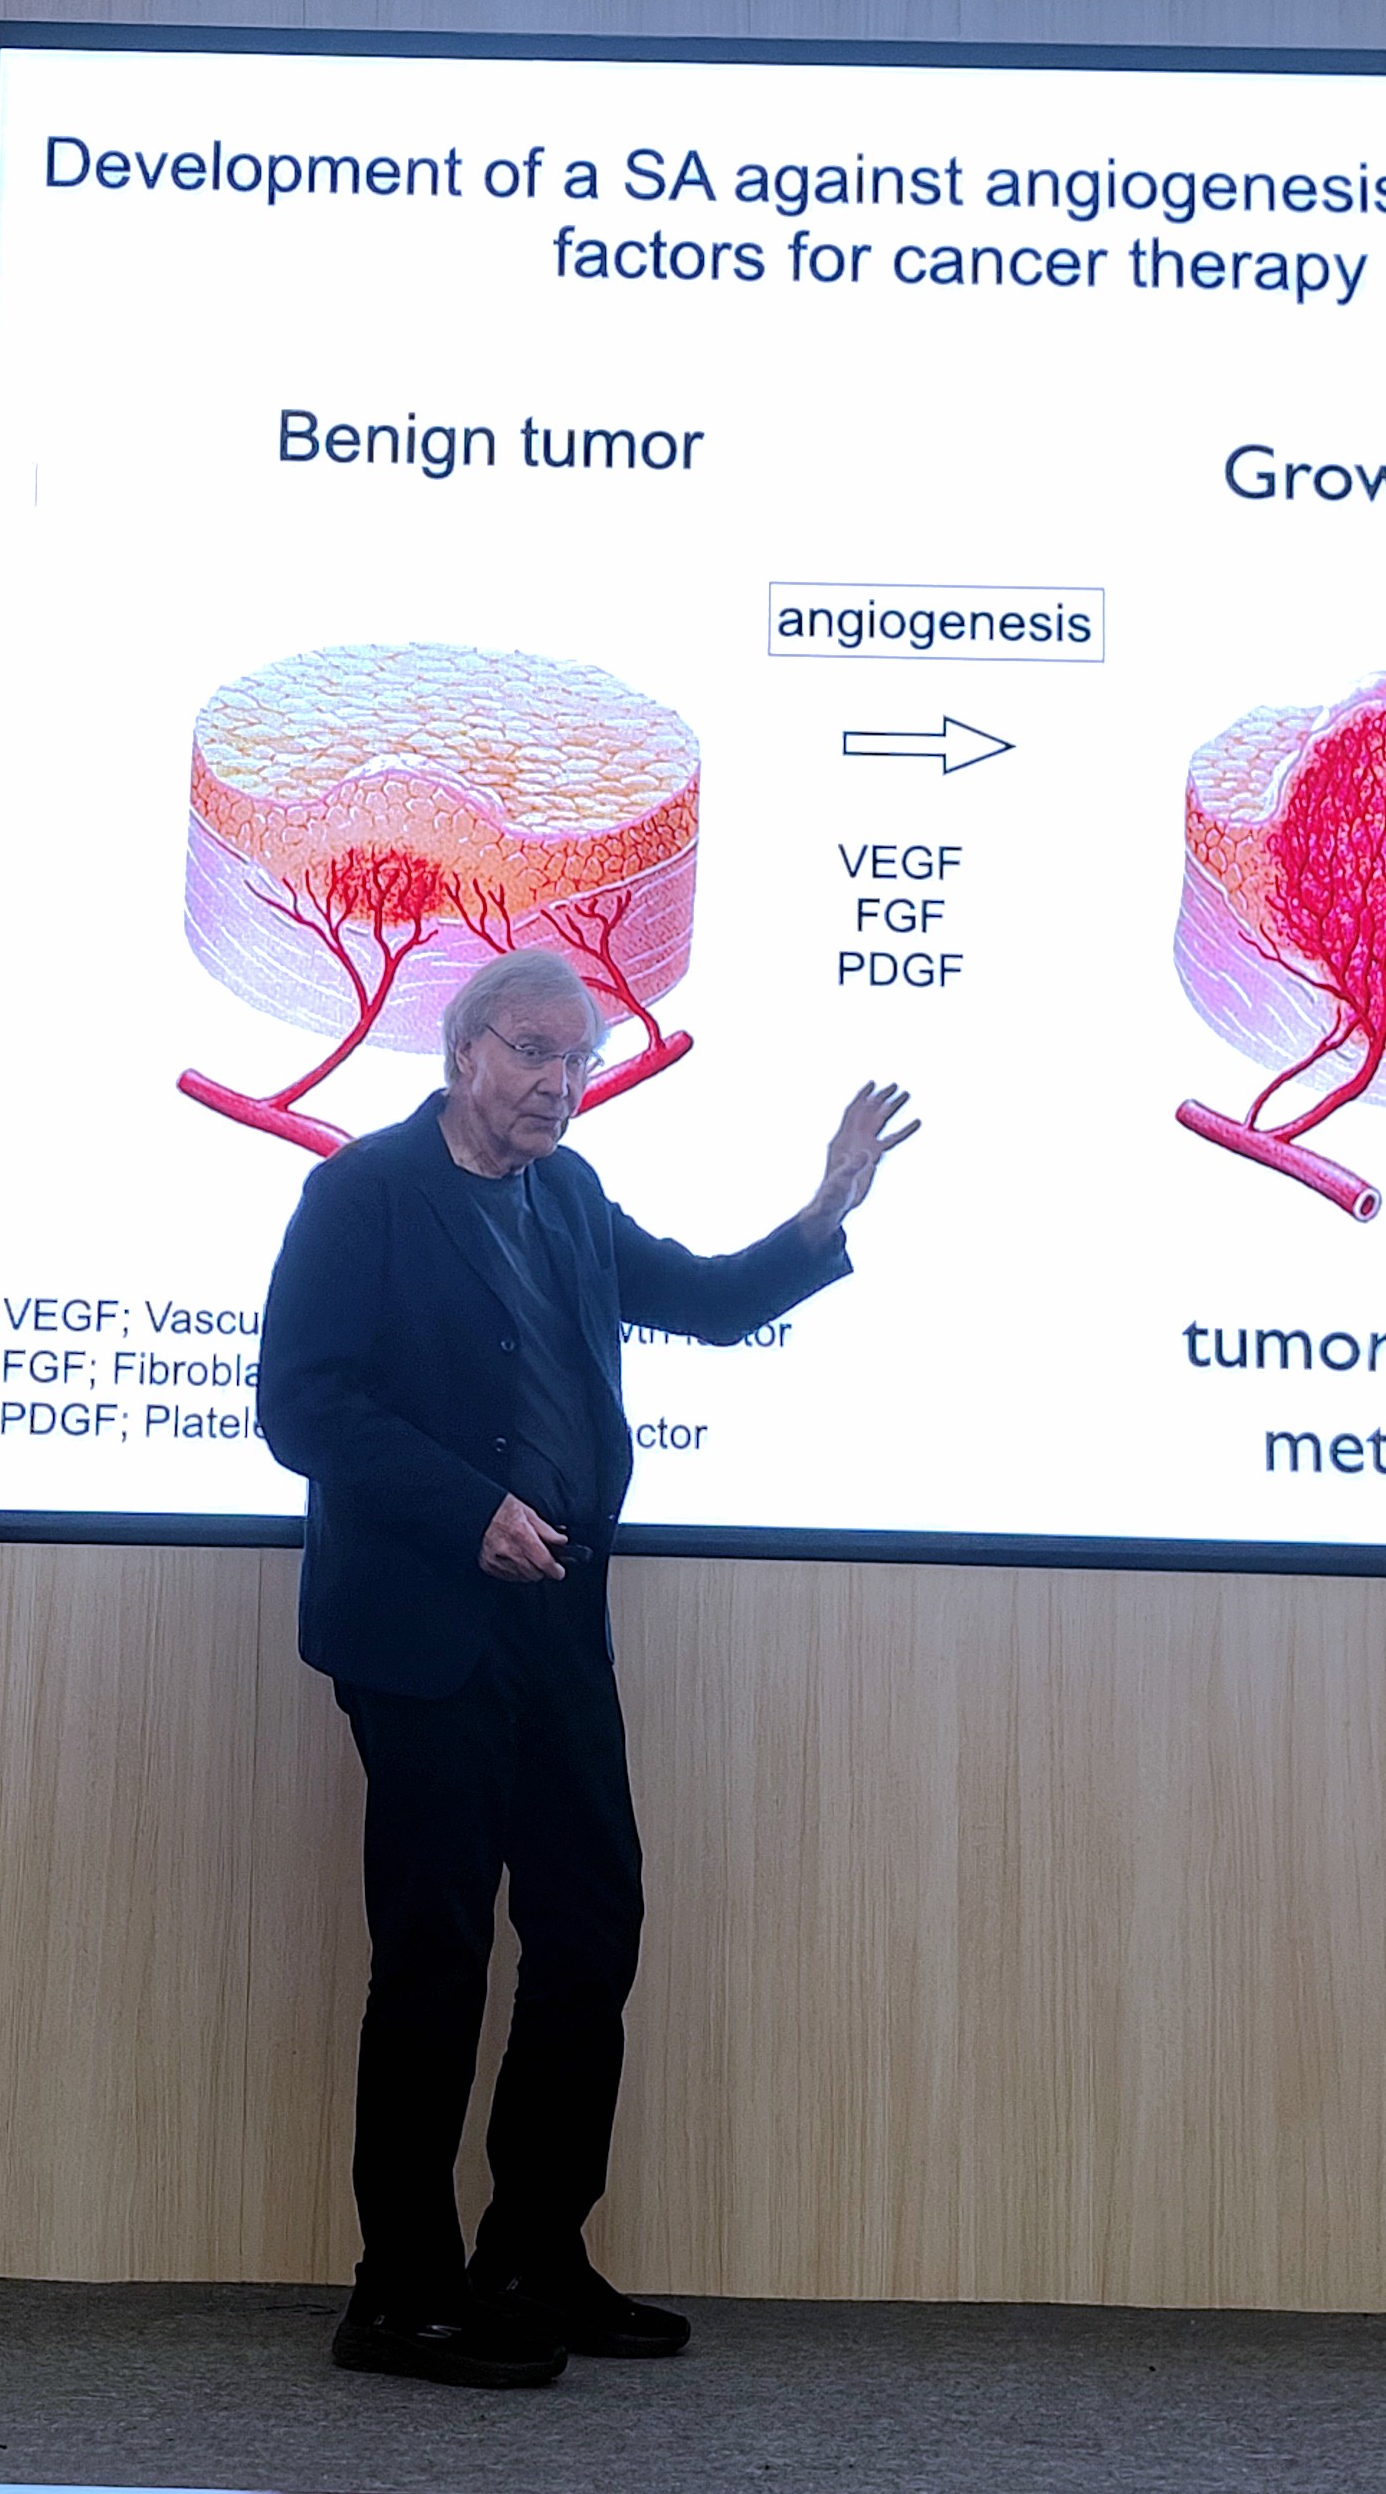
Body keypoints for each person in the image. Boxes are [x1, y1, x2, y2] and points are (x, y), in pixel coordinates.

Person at [258, 944, 917, 2387]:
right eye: (536, 1053)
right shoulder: (363, 1192)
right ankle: (401, 2292)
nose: (560, 1084)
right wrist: (466, 1510)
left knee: (590, 1928)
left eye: (581, 1061)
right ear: (465, 1052)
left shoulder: (567, 1194)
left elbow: (707, 1301)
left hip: (557, 1619)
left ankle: (531, 2256)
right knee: (436, 1953)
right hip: (423, 1631)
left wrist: (823, 1213)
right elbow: (302, 1407)